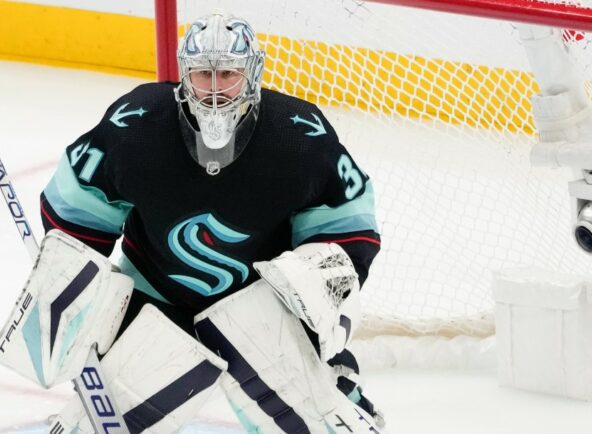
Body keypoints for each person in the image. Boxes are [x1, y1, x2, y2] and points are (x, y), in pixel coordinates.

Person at [39, 12, 382, 432]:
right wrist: (73, 282)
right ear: (185, 74)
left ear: (252, 74)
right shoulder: (138, 124)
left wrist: (313, 298)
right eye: (204, 73)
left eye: (228, 73)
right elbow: (75, 214)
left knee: (321, 421)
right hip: (154, 300)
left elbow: (347, 227)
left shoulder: (298, 135)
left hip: (260, 308)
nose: (216, 88)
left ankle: (330, 376)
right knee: (92, 426)